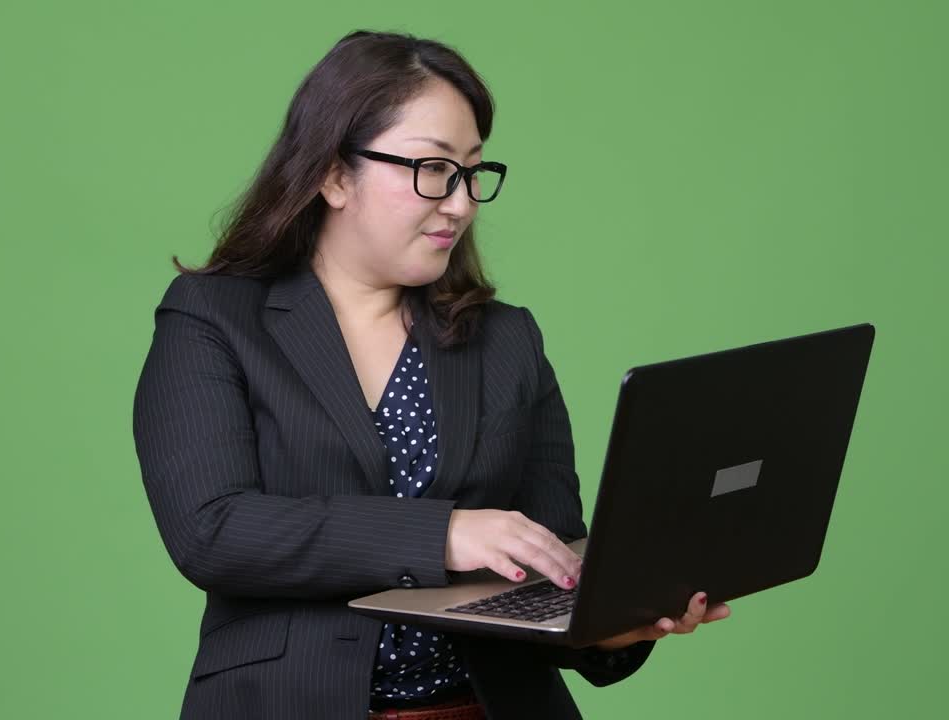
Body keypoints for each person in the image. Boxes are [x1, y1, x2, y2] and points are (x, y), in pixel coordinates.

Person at [132, 29, 731, 720]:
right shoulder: (215, 317)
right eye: (433, 169)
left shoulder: (508, 340)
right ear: (332, 173)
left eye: (473, 172)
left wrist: (613, 625)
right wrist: (441, 533)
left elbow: (551, 557)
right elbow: (212, 530)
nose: (461, 202)